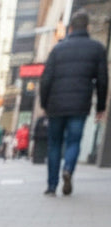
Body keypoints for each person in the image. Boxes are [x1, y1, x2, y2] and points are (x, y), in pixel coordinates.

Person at [39, 9, 108, 196]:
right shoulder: (97, 48)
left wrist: (44, 104)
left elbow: (46, 79)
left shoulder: (58, 49)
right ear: (88, 27)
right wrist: (101, 106)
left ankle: (52, 186)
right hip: (80, 104)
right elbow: (102, 80)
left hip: (56, 105)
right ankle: (68, 168)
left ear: (70, 28)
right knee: (73, 141)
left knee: (54, 144)